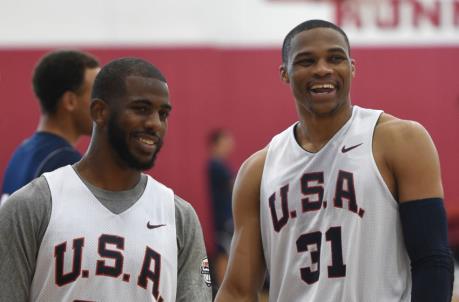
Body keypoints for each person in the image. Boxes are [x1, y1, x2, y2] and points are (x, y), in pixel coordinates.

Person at [215, 19, 453, 302]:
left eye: (335, 58)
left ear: (351, 67)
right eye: (306, 61)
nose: (322, 69)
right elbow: (238, 290)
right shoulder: (257, 171)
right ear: (284, 73)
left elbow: (433, 260)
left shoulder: (400, 141)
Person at [0, 57, 212, 301]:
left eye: (163, 114)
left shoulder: (179, 216)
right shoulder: (32, 205)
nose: (155, 123)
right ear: (99, 112)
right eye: (141, 109)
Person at [1, 50, 100, 203]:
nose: (102, 104)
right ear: (70, 101)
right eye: (96, 93)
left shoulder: (22, 152)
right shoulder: (66, 164)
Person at [207, 129, 235, 287]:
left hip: (226, 217)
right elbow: (235, 183)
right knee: (223, 252)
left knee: (225, 252)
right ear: (215, 144)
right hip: (222, 218)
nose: (229, 145)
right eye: (225, 142)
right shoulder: (215, 166)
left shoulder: (221, 165)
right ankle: (223, 286)